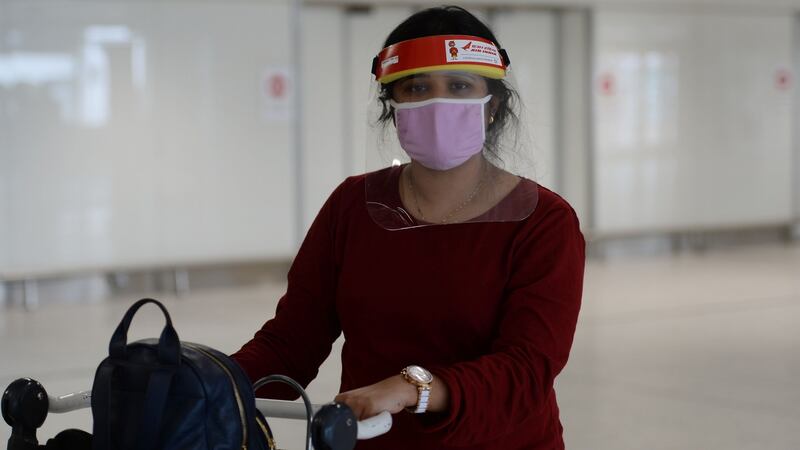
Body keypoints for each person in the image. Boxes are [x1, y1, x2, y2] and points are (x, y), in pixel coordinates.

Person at [232, 5, 585, 449]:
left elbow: (527, 369)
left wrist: (414, 388)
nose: (437, 104)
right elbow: (292, 340)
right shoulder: (352, 205)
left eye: (459, 86)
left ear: (492, 106)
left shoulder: (543, 222)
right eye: (416, 87)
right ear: (394, 107)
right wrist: (212, 381)